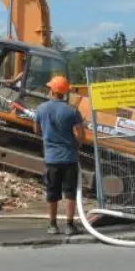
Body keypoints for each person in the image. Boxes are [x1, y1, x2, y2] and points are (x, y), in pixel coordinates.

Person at [32, 75, 86, 235]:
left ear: (52, 91)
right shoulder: (72, 111)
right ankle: (70, 225)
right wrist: (78, 144)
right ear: (64, 93)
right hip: (69, 157)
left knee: (52, 192)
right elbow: (80, 134)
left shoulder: (41, 109)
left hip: (51, 159)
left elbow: (36, 130)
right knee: (70, 192)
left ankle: (53, 225)